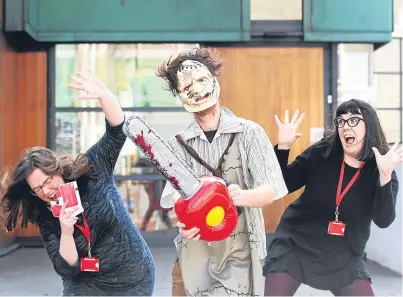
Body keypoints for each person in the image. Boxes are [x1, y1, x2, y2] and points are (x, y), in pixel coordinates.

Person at [1, 73, 155, 296]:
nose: (46, 191)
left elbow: (117, 131)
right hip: (86, 284)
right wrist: (65, 231)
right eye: (38, 189)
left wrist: (105, 96)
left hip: (133, 276)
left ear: (56, 169)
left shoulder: (91, 170)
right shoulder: (46, 215)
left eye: (47, 181)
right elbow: (68, 269)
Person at [156, 48, 289, 296]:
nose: (196, 88)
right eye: (186, 86)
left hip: (241, 253)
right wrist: (183, 220)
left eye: (201, 79)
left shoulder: (250, 133)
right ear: (179, 95)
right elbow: (175, 195)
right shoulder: (178, 143)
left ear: (214, 80)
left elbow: (269, 189)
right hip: (195, 254)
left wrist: (243, 197)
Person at [263, 99, 401, 296]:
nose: (346, 126)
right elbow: (283, 185)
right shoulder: (322, 153)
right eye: (341, 121)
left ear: (368, 126)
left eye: (353, 120)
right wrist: (283, 147)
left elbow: (383, 219)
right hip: (296, 244)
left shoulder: (380, 169)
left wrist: (385, 177)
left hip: (345, 255)